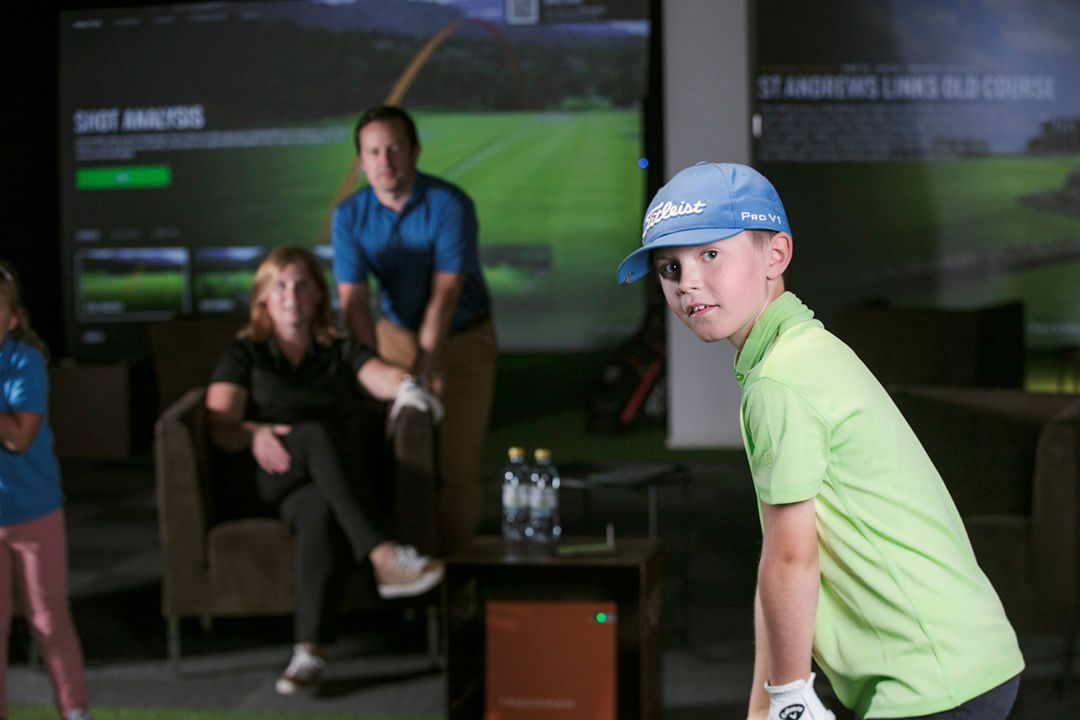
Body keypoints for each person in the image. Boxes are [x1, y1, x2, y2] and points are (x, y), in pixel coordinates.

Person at [616, 163, 1023, 720]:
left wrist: (788, 696)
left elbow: (791, 559)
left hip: (932, 678)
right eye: (669, 267)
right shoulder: (796, 352)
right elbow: (777, 560)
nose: (686, 282)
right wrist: (767, 701)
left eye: (710, 254)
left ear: (775, 256)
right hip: (960, 662)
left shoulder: (781, 379)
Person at [205, 246, 445, 696]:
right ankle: (381, 555)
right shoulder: (246, 353)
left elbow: (381, 375)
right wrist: (254, 432)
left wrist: (409, 388)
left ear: (318, 295)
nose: (291, 295)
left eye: (302, 285)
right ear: (263, 298)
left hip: (321, 484)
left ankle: (308, 652)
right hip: (264, 476)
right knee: (313, 433)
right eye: (280, 286)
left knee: (318, 511)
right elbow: (219, 425)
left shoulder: (335, 349)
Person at [332, 105, 497, 556]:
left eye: (395, 149)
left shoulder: (450, 204)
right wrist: (373, 369)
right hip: (396, 339)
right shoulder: (349, 216)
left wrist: (423, 374)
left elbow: (444, 297)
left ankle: (455, 578)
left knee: (455, 467)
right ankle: (412, 570)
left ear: (415, 152)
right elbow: (355, 303)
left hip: (463, 339)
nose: (385, 162)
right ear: (361, 161)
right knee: (401, 459)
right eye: (373, 152)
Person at [0, 260, 92, 720]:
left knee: (48, 620)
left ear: (12, 317)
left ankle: (74, 711)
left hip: (34, 511)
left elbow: (18, 436)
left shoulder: (25, 362)